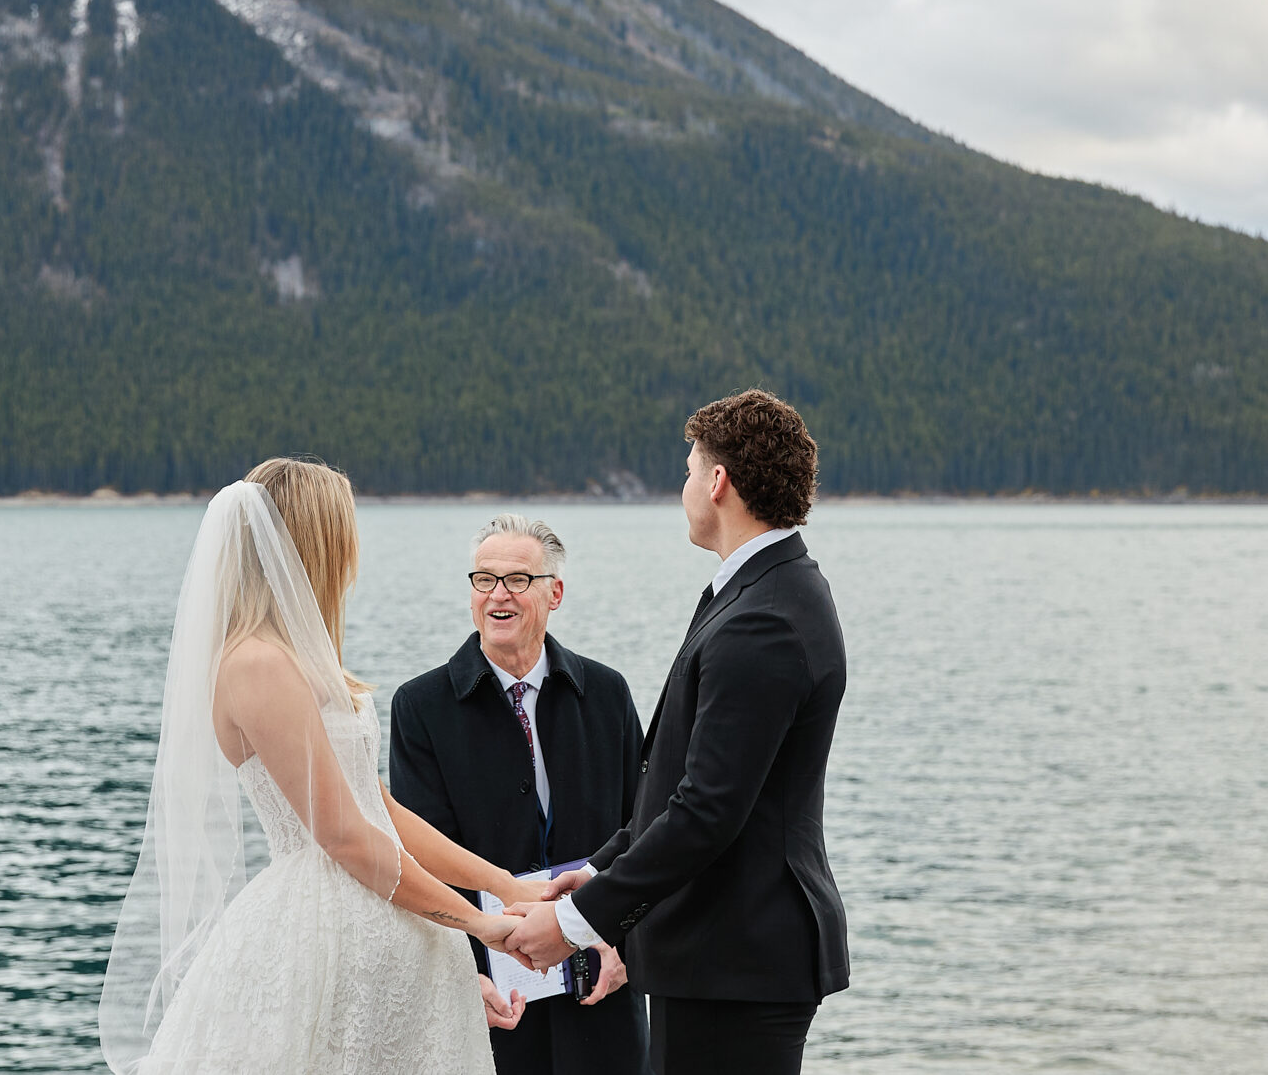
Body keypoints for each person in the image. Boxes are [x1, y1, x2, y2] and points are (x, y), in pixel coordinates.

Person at [100, 458, 549, 1074]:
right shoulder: (255, 664)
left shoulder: (301, 658)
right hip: (320, 935)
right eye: (344, 531)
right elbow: (341, 834)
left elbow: (380, 809)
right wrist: (476, 922)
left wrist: (505, 887)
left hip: (378, 922)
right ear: (313, 542)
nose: (353, 553)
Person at [505, 391, 850, 1075]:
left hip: (740, 961)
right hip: (720, 956)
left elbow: (708, 811)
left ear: (717, 482)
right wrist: (594, 870)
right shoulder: (759, 592)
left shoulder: (766, 618)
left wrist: (578, 923)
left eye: (690, 469)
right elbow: (678, 792)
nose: (685, 486)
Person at [389, 515, 651, 1075]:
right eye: (484, 580)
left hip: (600, 985)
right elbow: (418, 858)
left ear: (554, 593)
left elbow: (648, 832)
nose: (498, 595)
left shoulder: (607, 693)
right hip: (488, 1001)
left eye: (517, 580)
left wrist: (630, 954)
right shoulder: (421, 707)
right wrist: (464, 976)